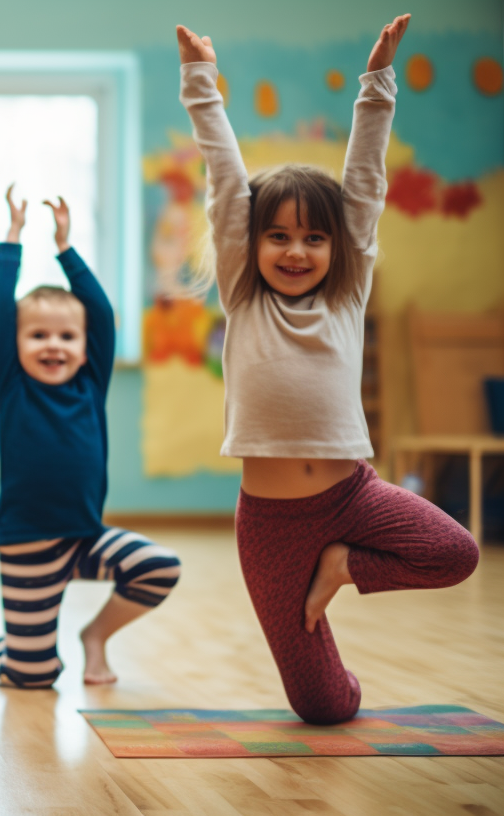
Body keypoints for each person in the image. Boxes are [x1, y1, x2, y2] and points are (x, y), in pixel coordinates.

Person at [178, 14, 477, 723]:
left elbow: (366, 177)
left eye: (314, 238)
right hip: (272, 524)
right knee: (324, 708)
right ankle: (330, 651)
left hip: (352, 499)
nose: (295, 251)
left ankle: (341, 567)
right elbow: (225, 177)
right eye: (277, 236)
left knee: (455, 553)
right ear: (248, 246)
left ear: (337, 247)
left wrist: (378, 80)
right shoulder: (244, 298)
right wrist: (200, 81)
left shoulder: (345, 297)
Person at [0, 188, 182, 688]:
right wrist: (13, 239)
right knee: (32, 678)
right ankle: (7, 649)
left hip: (85, 536)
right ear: (17, 343)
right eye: (38, 335)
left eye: (67, 336)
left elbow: (102, 315)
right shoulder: (12, 384)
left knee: (159, 567)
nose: (54, 344)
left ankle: (95, 637)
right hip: (26, 543)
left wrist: (66, 248)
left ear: (83, 344)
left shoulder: (91, 384)